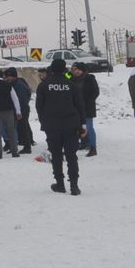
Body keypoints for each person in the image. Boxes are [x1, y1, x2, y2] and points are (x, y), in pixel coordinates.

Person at [34, 58, 86, 195]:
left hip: (52, 126)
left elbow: (39, 106)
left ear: (51, 69)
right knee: (71, 156)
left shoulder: (44, 85)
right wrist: (82, 124)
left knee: (56, 155)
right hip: (71, 125)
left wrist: (44, 122)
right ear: (64, 70)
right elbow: (80, 106)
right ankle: (74, 186)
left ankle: (60, 184)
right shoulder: (71, 85)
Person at [70, 62, 100, 156]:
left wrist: (87, 102)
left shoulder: (89, 78)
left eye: (79, 70)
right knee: (79, 126)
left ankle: (93, 147)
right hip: (76, 108)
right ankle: (84, 143)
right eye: (76, 70)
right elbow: (64, 76)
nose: (77, 71)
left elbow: (95, 92)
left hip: (87, 108)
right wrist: (70, 71)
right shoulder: (72, 77)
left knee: (89, 127)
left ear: (83, 70)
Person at [8, 68, 34, 154]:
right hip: (22, 109)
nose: (7, 78)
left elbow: (21, 99)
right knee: (23, 127)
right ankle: (26, 144)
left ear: (13, 76)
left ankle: (27, 147)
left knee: (23, 127)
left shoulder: (18, 85)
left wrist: (19, 111)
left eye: (8, 76)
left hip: (22, 110)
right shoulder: (17, 83)